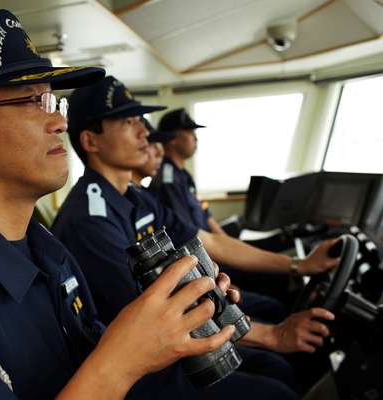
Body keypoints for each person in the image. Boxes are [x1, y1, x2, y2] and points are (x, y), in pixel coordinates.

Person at [0, 10, 237, 400]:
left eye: (53, 101)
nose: (59, 122)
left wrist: (182, 324)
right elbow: (107, 369)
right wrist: (121, 359)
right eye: (30, 101)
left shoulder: (46, 248)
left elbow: (84, 359)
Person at [53, 76, 339, 394]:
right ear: (91, 141)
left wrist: (298, 266)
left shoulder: (136, 197)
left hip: (175, 341)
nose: (144, 131)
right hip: (144, 368)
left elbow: (210, 241)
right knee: (276, 390)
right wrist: (272, 336)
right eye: (126, 121)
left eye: (140, 119)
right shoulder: (88, 220)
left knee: (277, 368)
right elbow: (153, 314)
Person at [134, 119, 287, 323]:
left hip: (210, 259)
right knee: (274, 297)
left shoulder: (181, 177)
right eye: (189, 132)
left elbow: (208, 224)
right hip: (204, 265)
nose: (158, 152)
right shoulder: (168, 180)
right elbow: (191, 242)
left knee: (276, 248)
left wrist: (236, 248)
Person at [149, 108, 226, 233]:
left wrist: (225, 241)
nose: (195, 138)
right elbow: (185, 230)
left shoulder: (183, 175)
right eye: (190, 132)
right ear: (173, 139)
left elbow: (203, 213)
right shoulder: (168, 178)